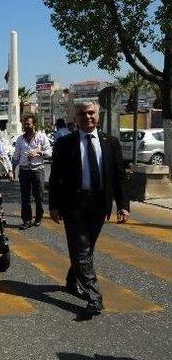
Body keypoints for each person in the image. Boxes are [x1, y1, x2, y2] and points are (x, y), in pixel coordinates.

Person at [49, 101, 129, 319]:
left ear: (98, 115)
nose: (87, 117)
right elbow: (55, 176)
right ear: (76, 118)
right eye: (82, 114)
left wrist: (123, 205)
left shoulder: (110, 143)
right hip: (74, 205)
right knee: (82, 250)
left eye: (91, 113)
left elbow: (119, 176)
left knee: (85, 248)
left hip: (99, 204)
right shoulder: (65, 143)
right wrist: (53, 206)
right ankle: (94, 297)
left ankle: (71, 280)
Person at [12, 115, 52, 230]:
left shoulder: (41, 137)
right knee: (25, 197)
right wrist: (12, 169)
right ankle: (26, 220)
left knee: (38, 196)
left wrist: (39, 152)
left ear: (34, 124)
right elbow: (16, 155)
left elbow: (49, 152)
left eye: (28, 124)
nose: (26, 126)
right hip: (24, 171)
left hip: (37, 170)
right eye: (25, 124)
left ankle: (38, 217)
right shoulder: (20, 139)